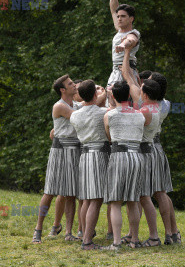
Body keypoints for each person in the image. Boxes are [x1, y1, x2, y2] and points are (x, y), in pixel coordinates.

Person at [120, 48, 162, 247]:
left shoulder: (144, 111)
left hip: (142, 154)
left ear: (145, 93)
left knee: (142, 197)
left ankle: (152, 237)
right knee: (142, 197)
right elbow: (130, 80)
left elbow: (129, 117)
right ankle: (134, 234)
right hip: (147, 152)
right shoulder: (156, 107)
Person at [32, 75, 80, 243]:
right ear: (62, 90)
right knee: (50, 191)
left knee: (70, 193)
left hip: (74, 151)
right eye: (70, 84)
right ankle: (38, 229)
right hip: (59, 151)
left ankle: (68, 232)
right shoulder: (59, 106)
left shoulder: (78, 104)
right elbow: (80, 118)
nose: (75, 85)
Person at [103, 81, 145, 250]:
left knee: (115, 202)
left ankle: (117, 242)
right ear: (129, 95)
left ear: (113, 96)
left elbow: (109, 137)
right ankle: (134, 240)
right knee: (133, 201)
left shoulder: (109, 115)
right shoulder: (140, 115)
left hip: (119, 155)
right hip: (137, 156)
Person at [70, 80, 110, 250]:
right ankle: (87, 241)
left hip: (84, 156)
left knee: (86, 199)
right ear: (95, 94)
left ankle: (83, 233)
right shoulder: (103, 112)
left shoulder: (74, 115)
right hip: (99, 155)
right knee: (96, 199)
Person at [150, 72, 181, 244]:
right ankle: (172, 233)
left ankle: (169, 233)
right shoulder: (166, 104)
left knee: (158, 193)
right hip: (158, 147)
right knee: (161, 193)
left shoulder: (146, 105)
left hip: (150, 148)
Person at [106, 0, 141, 89]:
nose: (119, 18)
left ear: (131, 19)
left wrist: (123, 45)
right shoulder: (119, 29)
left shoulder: (134, 33)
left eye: (123, 16)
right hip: (116, 70)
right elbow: (113, 9)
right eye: (118, 16)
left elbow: (130, 40)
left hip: (127, 71)